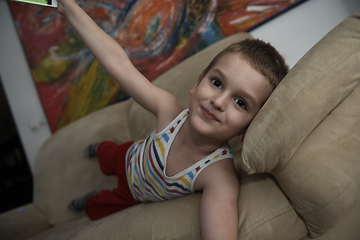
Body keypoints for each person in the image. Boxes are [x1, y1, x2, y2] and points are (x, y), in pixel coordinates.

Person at [57, 0, 288, 239]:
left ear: (247, 129)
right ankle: (100, 149)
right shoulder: (168, 110)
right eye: (217, 83)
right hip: (128, 156)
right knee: (108, 154)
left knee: (97, 207)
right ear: (197, 84)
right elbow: (120, 65)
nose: (218, 102)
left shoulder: (219, 176)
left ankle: (86, 201)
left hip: (133, 196)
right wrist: (70, 9)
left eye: (240, 103)